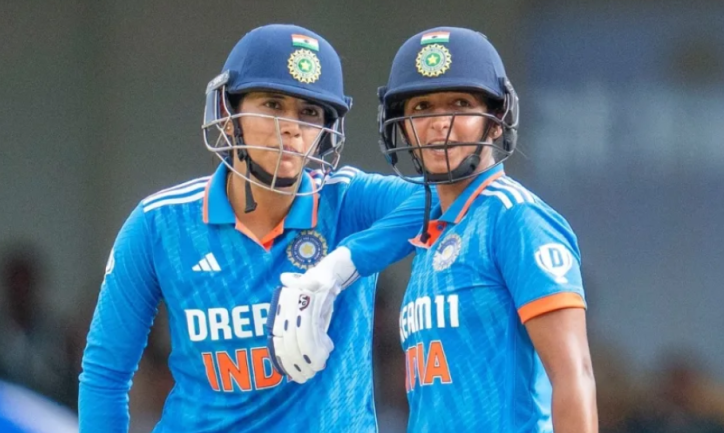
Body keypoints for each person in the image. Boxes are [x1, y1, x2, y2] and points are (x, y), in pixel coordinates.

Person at [79, 24, 426, 432]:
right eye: (273, 105)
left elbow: (444, 200)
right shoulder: (160, 223)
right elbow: (105, 375)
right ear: (229, 115)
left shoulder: (347, 201)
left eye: (309, 112)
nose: (291, 127)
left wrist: (341, 267)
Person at [287, 27, 598, 432]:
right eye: (421, 107)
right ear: (400, 125)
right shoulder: (434, 232)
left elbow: (574, 374)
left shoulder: (515, 218)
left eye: (460, 104)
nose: (439, 124)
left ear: (497, 121)